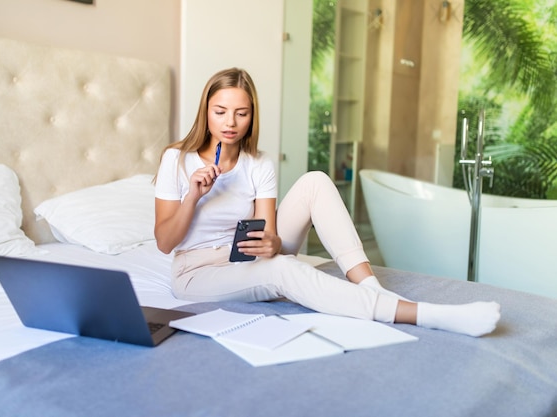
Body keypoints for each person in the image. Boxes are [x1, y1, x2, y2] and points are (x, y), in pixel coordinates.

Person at [154, 67, 501, 337]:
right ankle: (425, 314)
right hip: (195, 272)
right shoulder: (176, 159)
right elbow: (165, 243)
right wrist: (194, 197)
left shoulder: (258, 163)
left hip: (243, 258)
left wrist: (269, 243)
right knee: (283, 271)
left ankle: (371, 288)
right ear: (206, 111)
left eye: (241, 113)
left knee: (315, 181)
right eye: (220, 111)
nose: (230, 122)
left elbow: (273, 242)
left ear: (251, 116)